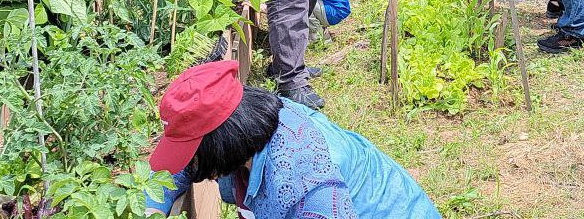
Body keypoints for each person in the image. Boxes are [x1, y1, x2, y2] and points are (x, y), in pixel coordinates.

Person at [144, 60, 442, 218]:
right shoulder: (247, 131)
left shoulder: (305, 181)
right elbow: (175, 168)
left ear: (222, 144)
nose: (189, 163)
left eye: (193, 152)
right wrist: (153, 210)